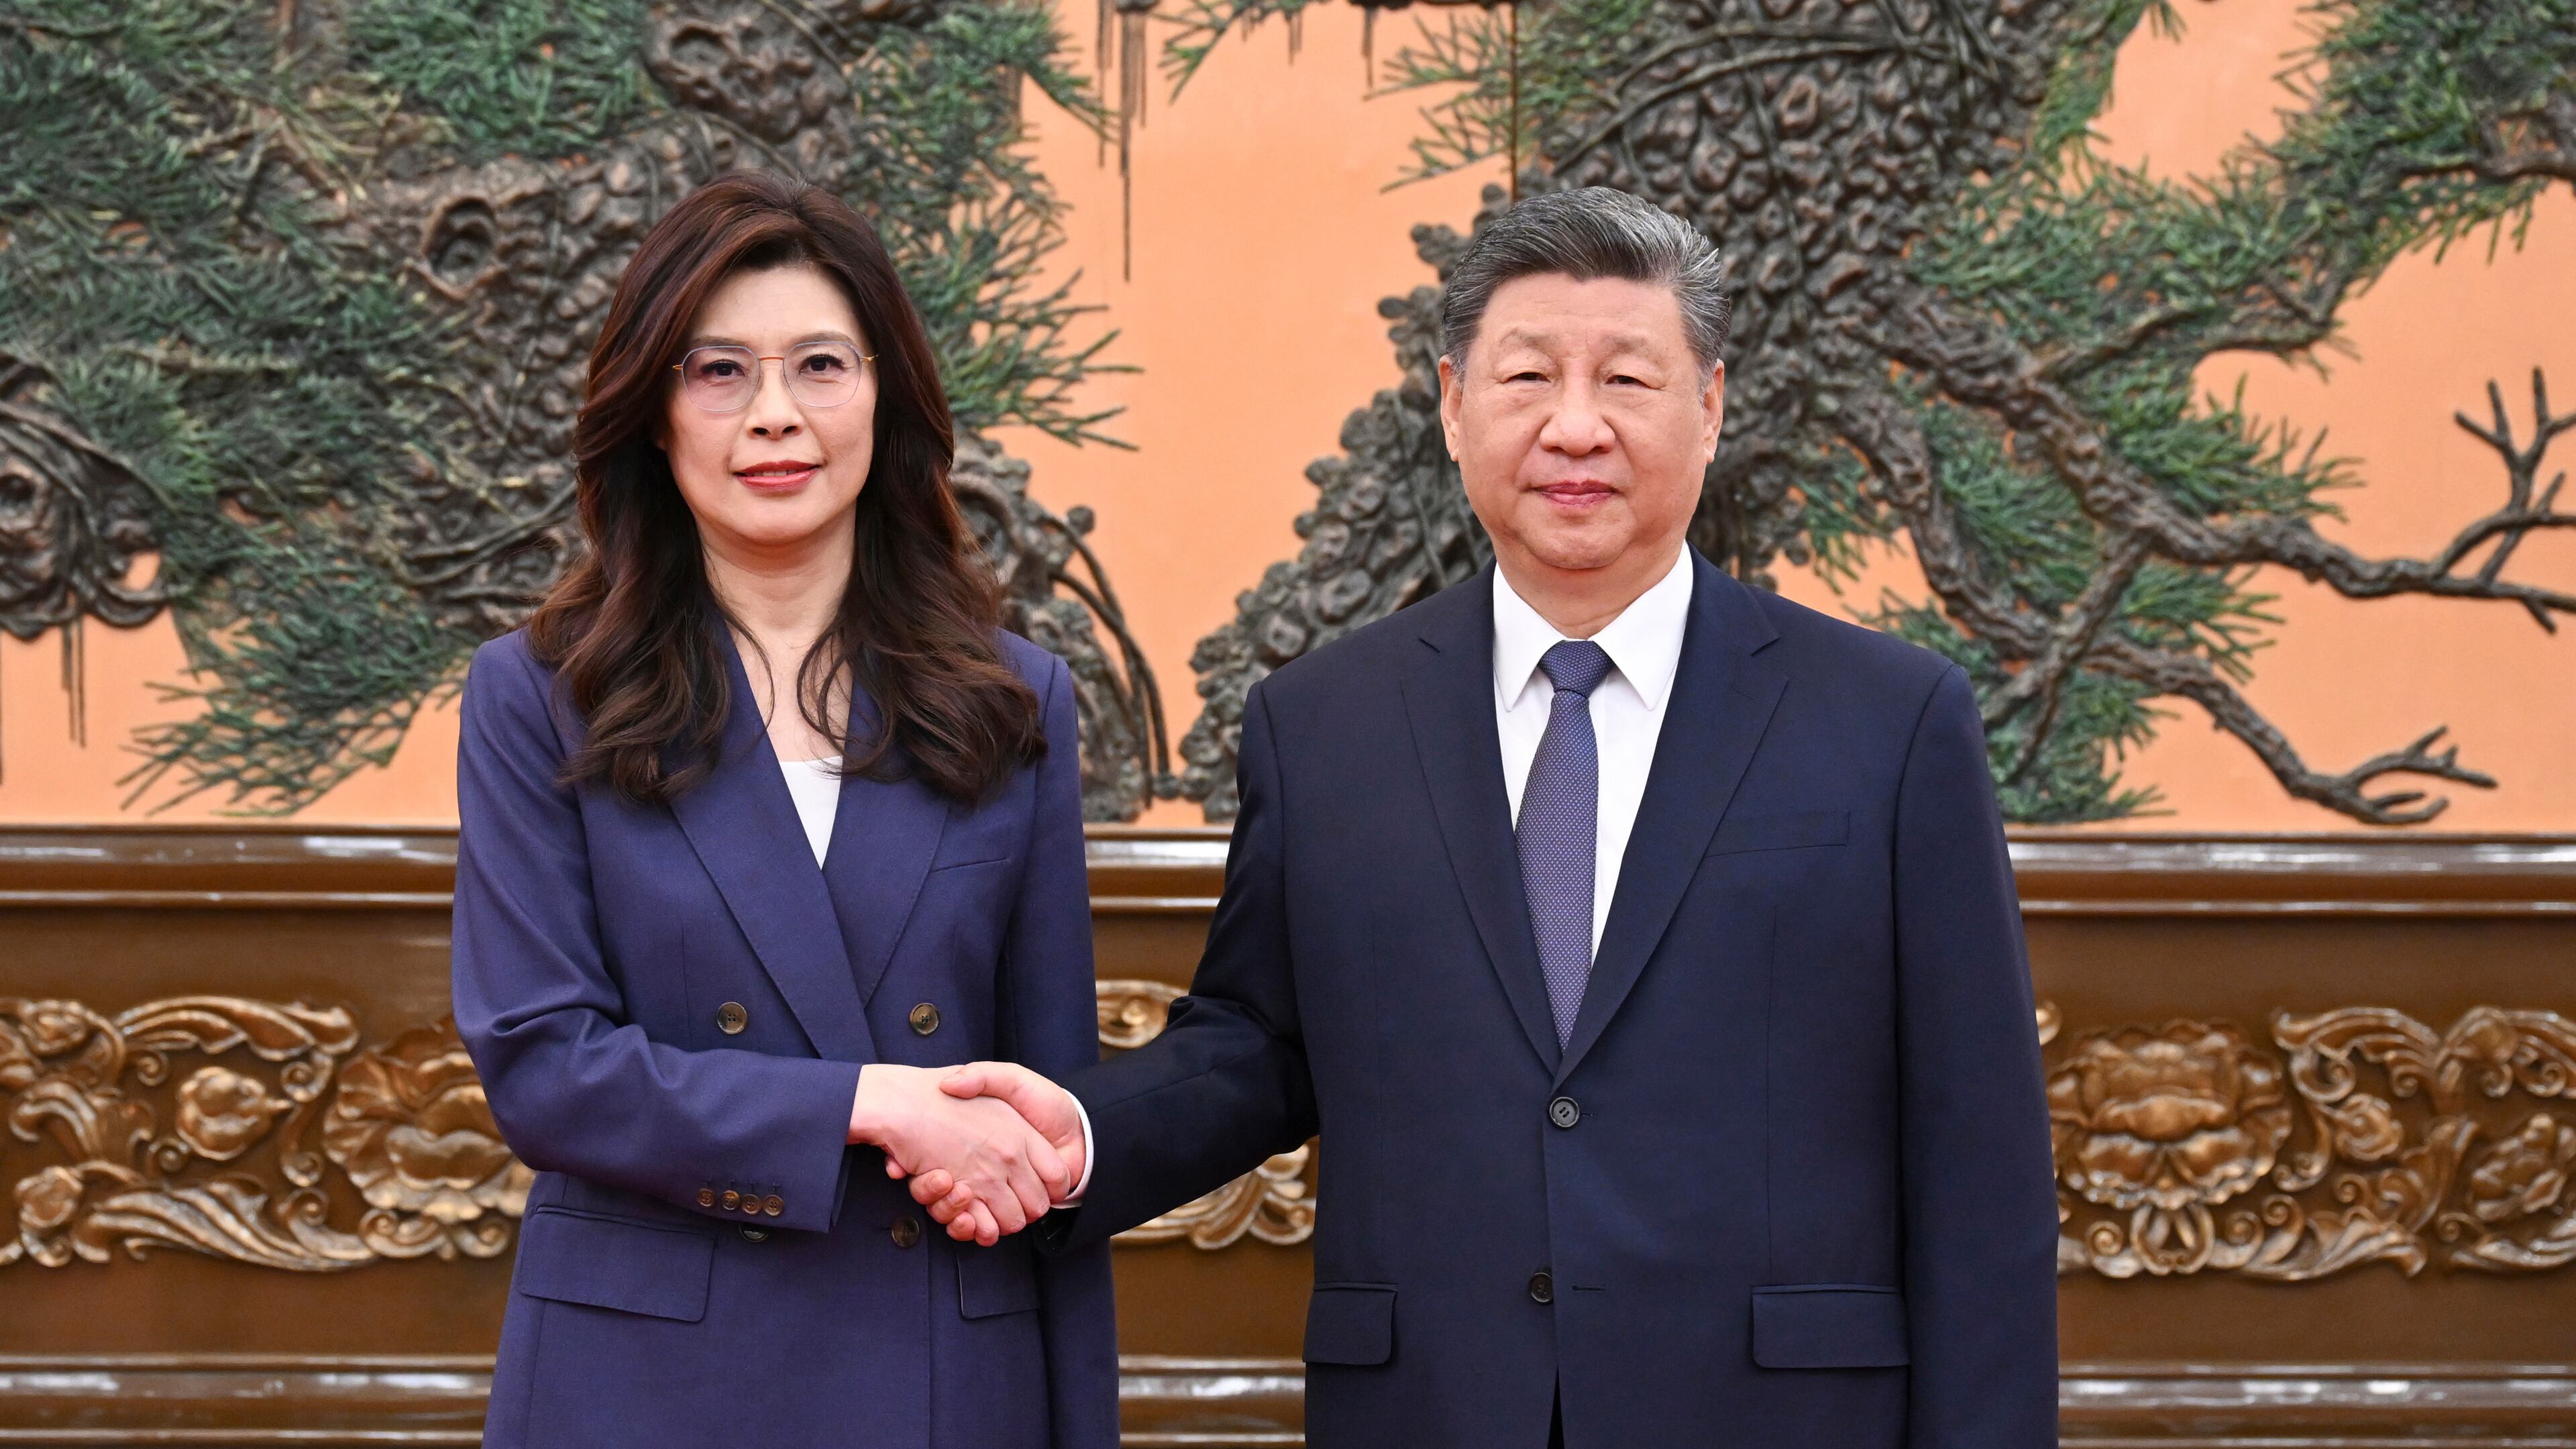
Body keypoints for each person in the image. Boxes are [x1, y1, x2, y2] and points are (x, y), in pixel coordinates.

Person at [918, 187, 2059, 1447]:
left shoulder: (1891, 721)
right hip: (1434, 1407)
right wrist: (1075, 1135)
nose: (1577, 427)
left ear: (1713, 407)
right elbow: (1262, 1043)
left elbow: (1980, 1161)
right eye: (1528, 378)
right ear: (1455, 405)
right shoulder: (1325, 723)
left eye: (1629, 379)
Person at [449, 172, 1115, 1449]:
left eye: (820, 363)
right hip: (643, 1382)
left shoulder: (1014, 699)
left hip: (939, 1370)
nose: (775, 417)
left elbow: (1045, 1112)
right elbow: (543, 1067)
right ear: (653, 413)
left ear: (885, 396)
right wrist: (873, 1103)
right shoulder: (540, 694)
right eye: (717, 372)